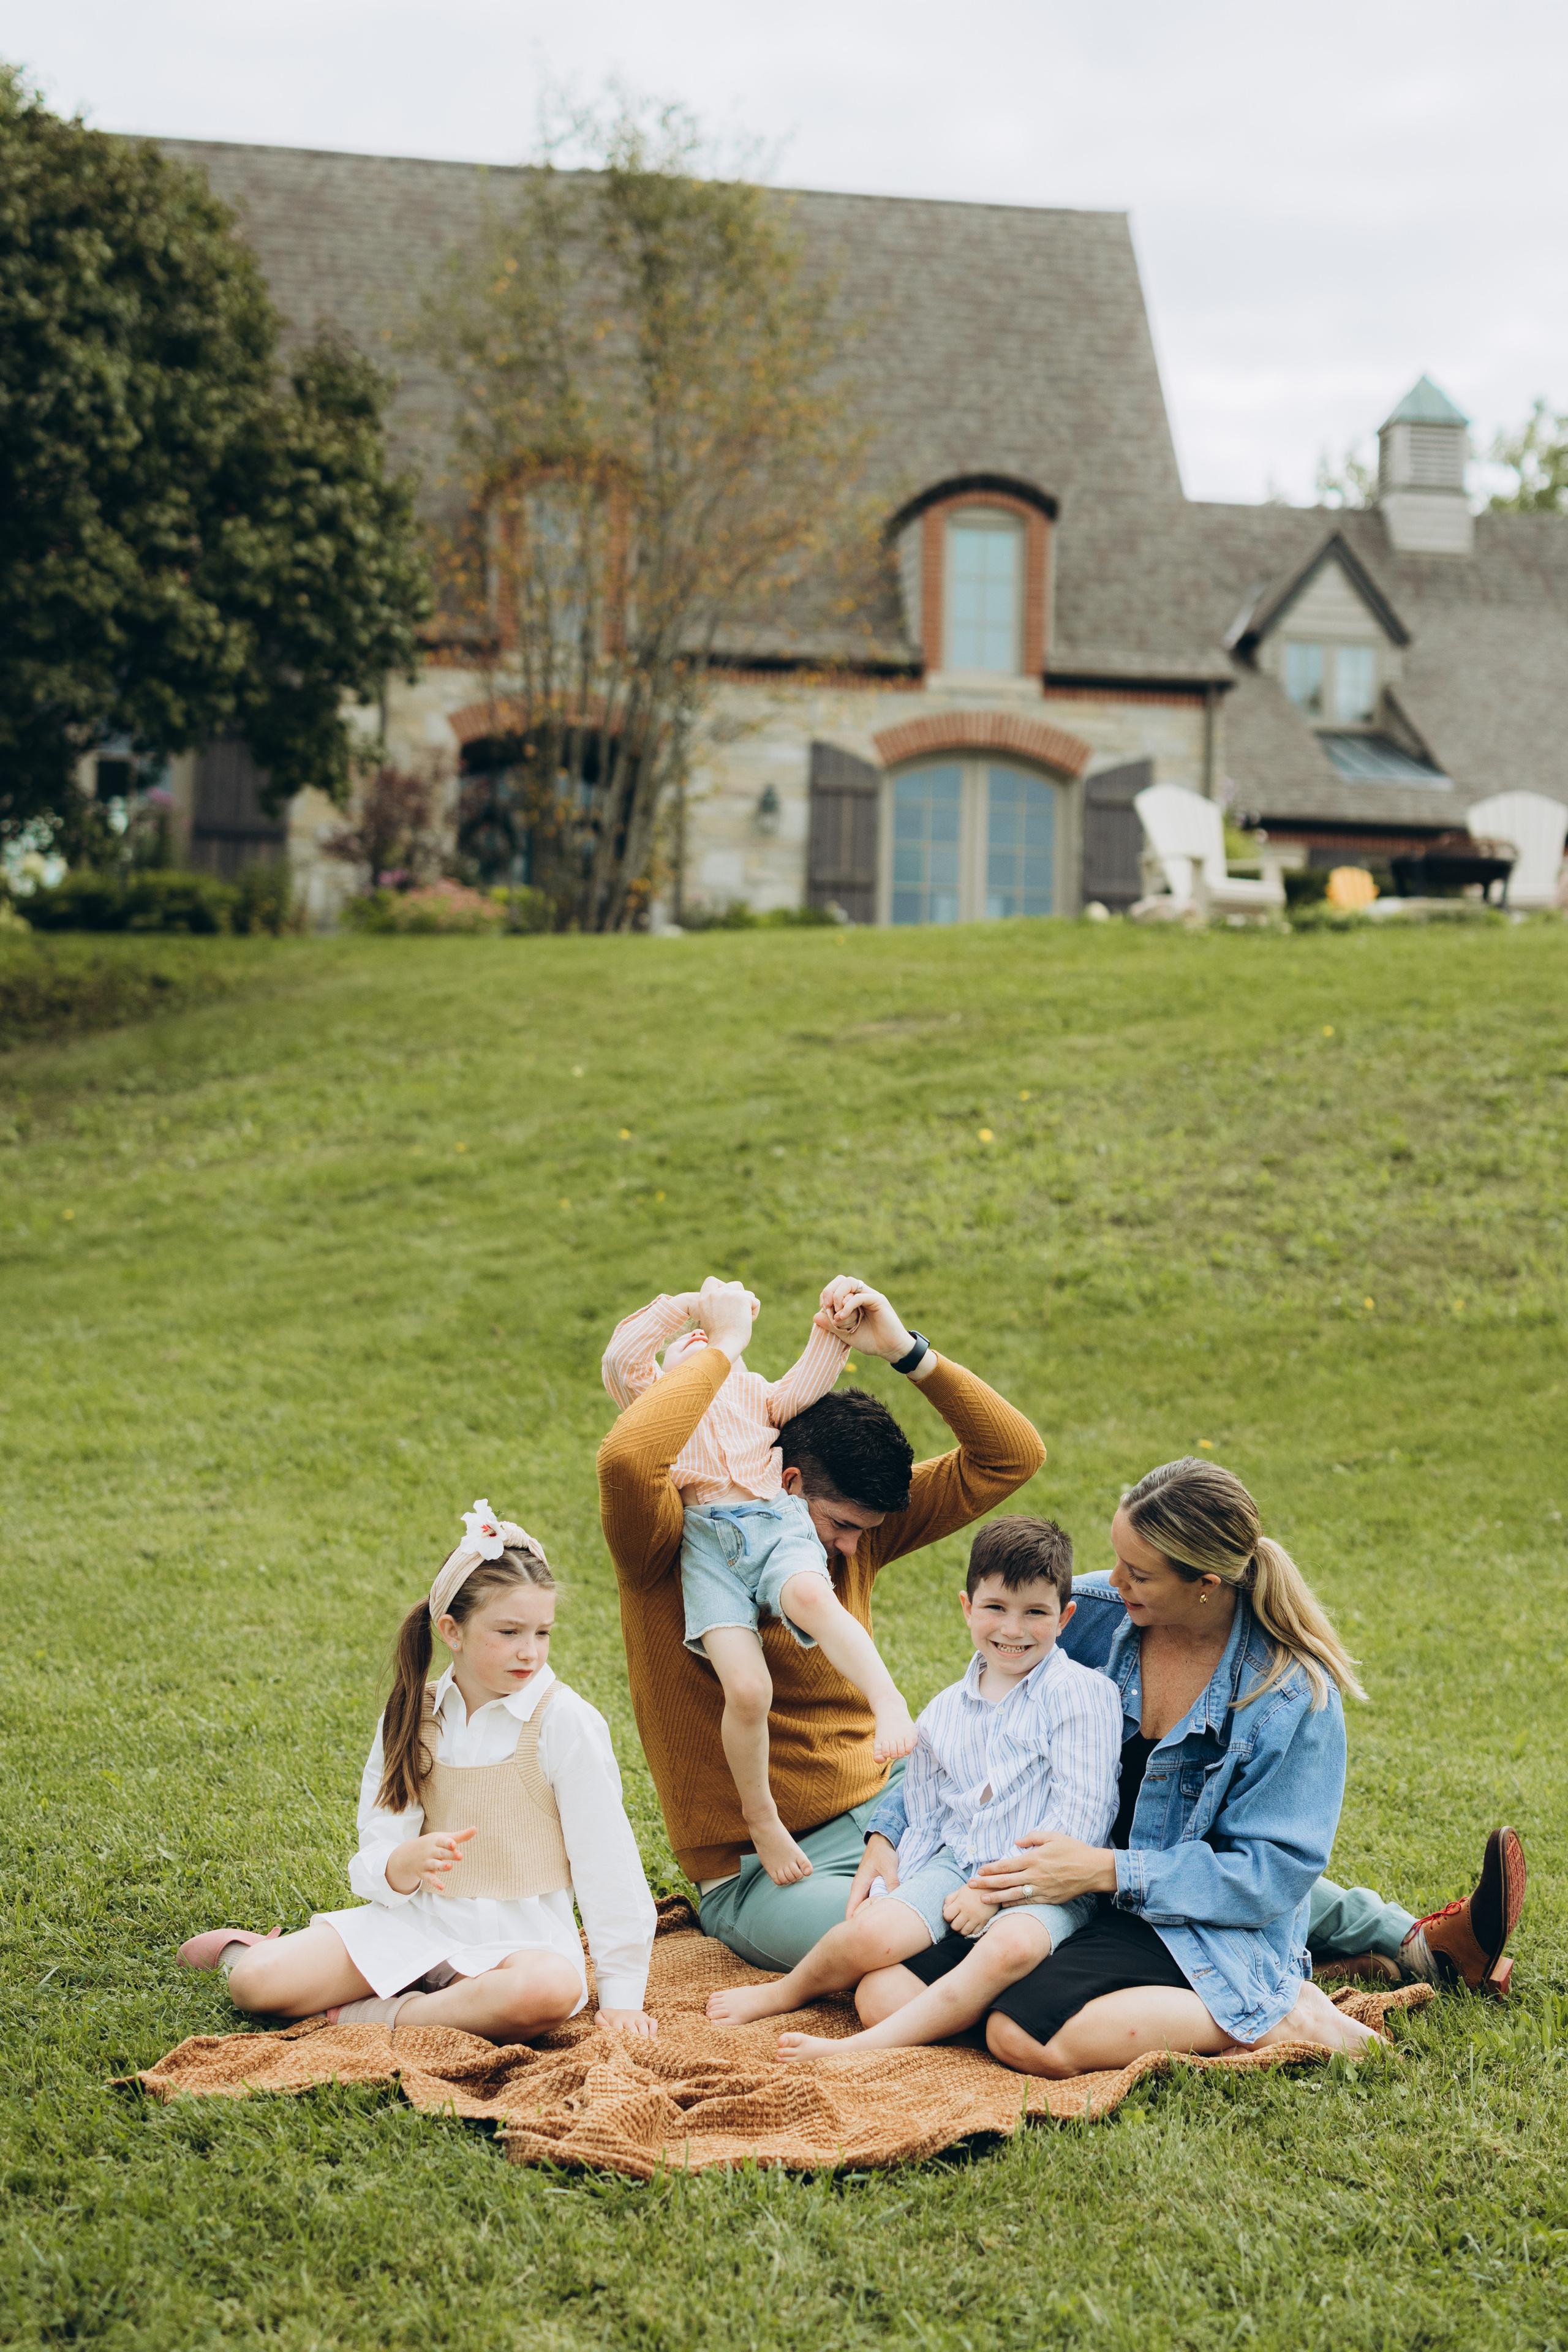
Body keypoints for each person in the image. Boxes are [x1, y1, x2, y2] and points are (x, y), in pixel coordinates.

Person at [854, 1460, 1525, 2073]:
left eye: (1137, 1574)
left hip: (1187, 1920)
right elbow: (968, 1729)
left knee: (1021, 2034)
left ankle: (1279, 2012)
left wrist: (1107, 1869)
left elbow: (1270, 1875)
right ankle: (1386, 1951)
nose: (1112, 1583)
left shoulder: (1287, 1693)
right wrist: (886, 1831)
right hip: (1062, 1896)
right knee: (882, 1993)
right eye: (1116, 1559)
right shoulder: (1086, 1614)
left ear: (1205, 1585)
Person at [597, 1273, 1050, 1969]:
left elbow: (1011, 1456)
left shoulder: (856, 1529)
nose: (849, 1548)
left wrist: (904, 1351)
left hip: (895, 1807)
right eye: (837, 1526)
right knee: (918, 1945)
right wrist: (721, 1347)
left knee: (1035, 1874)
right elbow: (628, 1457)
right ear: (790, 1482)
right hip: (761, 1869)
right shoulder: (663, 1540)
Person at [177, 1502, 657, 2043]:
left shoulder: (565, 1721)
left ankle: (378, 2014)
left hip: (520, 1946)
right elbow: (380, 1837)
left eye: (542, 1633)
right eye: (509, 1632)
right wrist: (401, 1864)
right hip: (418, 1926)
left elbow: (607, 1863)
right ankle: (254, 1951)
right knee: (255, 1985)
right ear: (452, 1630)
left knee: (545, 1993)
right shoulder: (414, 1713)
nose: (531, 1652)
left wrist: (621, 1995)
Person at [705, 1515, 1121, 2059]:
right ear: (968, 1608)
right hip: (956, 1860)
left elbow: (1081, 1819)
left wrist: (990, 1894)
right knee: (870, 1934)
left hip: (1048, 1880)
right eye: (995, 1608)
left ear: (1064, 1617)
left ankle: (860, 2048)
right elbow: (926, 1813)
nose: (1013, 1630)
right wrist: (902, 1894)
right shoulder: (946, 1711)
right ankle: (786, 1992)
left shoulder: (1081, 1696)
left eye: (1035, 1613)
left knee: (1009, 1947)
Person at [602, 1281, 917, 1886]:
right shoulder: (659, 1401)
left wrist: (832, 1325)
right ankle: (761, 1815)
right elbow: (621, 1361)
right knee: (745, 1690)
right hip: (707, 1549)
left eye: (720, 1353)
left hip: (773, 1524)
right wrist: (693, 1311)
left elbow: (808, 1378)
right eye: (690, 1350)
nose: (704, 1356)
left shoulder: (755, 1395)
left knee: (808, 1597)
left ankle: (887, 1700)